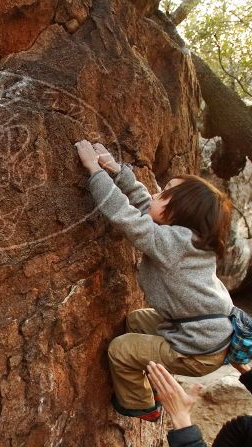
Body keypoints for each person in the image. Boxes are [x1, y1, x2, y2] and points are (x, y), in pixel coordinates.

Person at [75, 140, 234, 421]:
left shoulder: (174, 243)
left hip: (197, 350)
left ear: (180, 213)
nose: (156, 194)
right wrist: (117, 171)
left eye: (165, 194)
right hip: (206, 335)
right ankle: (158, 376)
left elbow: (128, 218)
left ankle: (142, 404)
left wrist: (95, 173)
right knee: (137, 321)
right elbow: (148, 206)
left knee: (121, 349)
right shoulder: (187, 237)